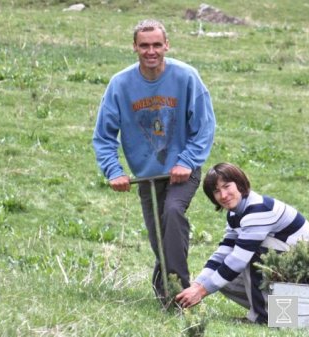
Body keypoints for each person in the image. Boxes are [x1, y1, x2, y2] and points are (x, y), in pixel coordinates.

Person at [92, 19, 216, 302]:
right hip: (146, 175)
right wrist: (114, 171)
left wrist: (186, 161)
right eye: (144, 45)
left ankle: (179, 293)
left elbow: (204, 127)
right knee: (158, 235)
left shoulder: (186, 77)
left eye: (157, 45)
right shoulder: (120, 85)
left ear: (167, 45)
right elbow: (103, 135)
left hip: (183, 170)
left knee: (172, 212)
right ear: (134, 47)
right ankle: (164, 288)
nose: (151, 51)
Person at [175, 163, 309, 324]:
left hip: (307, 276)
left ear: (240, 184)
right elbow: (223, 253)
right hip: (287, 271)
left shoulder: (258, 209)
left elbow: (238, 260)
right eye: (216, 191)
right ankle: (281, 314)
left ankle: (265, 317)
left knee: (247, 256)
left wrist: (201, 292)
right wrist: (197, 285)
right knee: (221, 278)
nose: (223, 195)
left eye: (227, 186)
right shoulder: (235, 213)